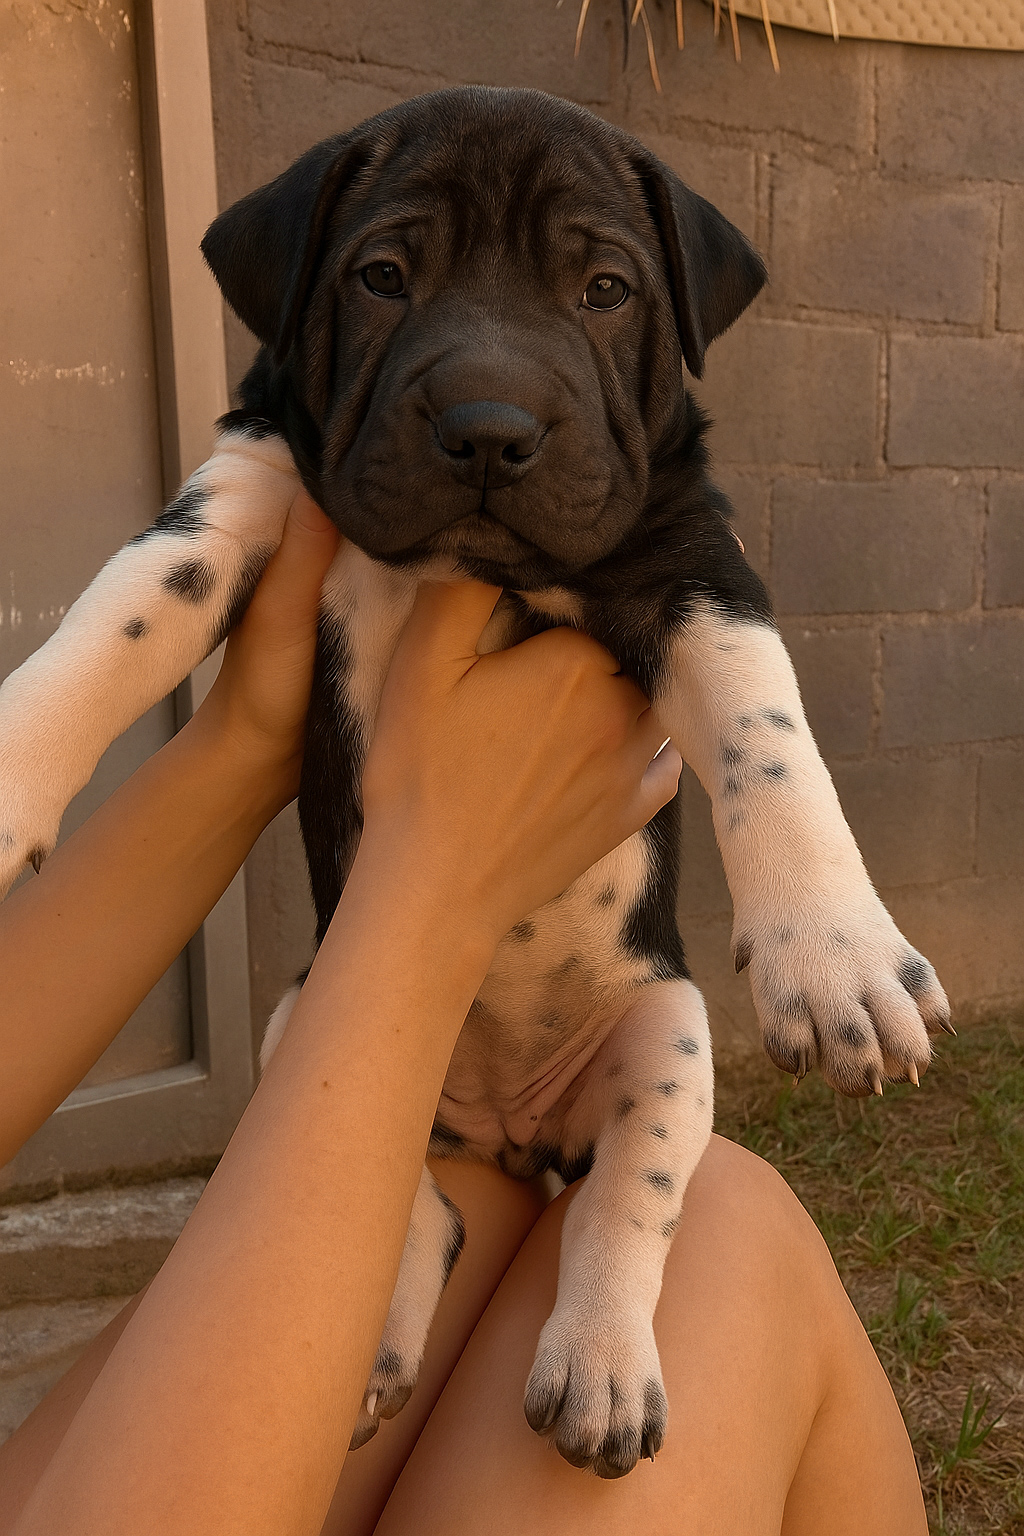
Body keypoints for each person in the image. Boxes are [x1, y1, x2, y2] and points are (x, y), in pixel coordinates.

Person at [0, 491, 927, 1536]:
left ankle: (500, 1252)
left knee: (611, 1188)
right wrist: (432, 888)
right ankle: (434, 1239)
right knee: (731, 1230)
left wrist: (248, 736)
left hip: (590, 1032)